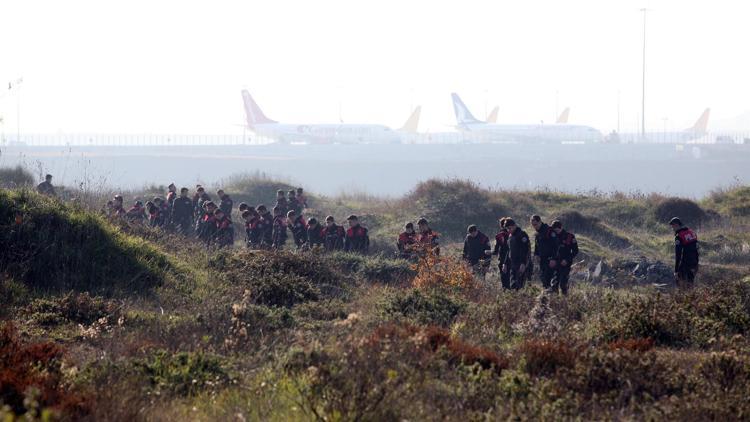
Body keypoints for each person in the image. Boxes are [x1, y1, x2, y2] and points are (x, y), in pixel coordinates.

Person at [551, 220, 578, 295]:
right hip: (555, 263)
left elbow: (575, 251)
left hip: (565, 264)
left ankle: (565, 299)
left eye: (558, 230)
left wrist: (567, 260)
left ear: (561, 228)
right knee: (554, 284)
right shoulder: (552, 236)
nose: (557, 232)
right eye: (555, 230)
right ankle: (555, 300)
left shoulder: (569, 236)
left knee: (563, 284)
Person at [530, 215, 558, 289]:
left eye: (535, 224)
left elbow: (556, 246)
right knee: (544, 279)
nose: (534, 226)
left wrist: (553, 258)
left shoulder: (549, 231)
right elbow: (537, 246)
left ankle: (553, 297)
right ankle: (546, 295)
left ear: (540, 222)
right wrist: (536, 255)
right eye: (533, 225)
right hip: (542, 259)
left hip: (550, 259)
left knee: (549, 279)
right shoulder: (538, 233)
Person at [670, 217, 699, 285]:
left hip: (686, 262)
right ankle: (691, 295)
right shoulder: (691, 232)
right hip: (694, 261)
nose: (672, 229)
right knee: (690, 283)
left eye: (672, 227)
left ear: (676, 225)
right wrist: (696, 263)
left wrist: (676, 270)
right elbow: (697, 248)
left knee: (679, 282)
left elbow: (678, 254)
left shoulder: (679, 236)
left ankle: (682, 295)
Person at [504, 219, 530, 290]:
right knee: (513, 285)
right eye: (507, 229)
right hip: (513, 264)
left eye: (509, 228)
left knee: (520, 286)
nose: (508, 230)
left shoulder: (522, 235)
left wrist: (523, 263)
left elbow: (526, 250)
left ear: (514, 226)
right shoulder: (510, 236)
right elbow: (509, 250)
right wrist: (505, 263)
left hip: (521, 264)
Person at [493, 218, 511, 289]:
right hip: (513, 258)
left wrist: (490, 252)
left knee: (504, 277)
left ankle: (505, 291)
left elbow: (496, 250)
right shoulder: (513, 233)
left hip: (503, 258)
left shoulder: (499, 236)